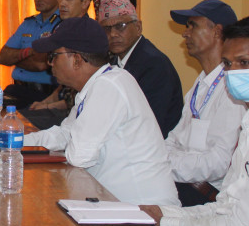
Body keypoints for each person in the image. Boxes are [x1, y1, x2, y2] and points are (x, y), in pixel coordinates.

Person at [140, 14, 249, 226]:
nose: (233, 72)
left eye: (244, 62)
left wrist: (168, 222)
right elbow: (224, 206)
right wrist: (166, 213)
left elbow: (246, 223)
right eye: (228, 64)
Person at [23, 16, 179, 206]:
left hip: (143, 209)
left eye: (53, 56)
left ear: (77, 60)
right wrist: (13, 141)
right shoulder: (95, 85)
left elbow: (79, 156)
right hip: (115, 201)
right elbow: (65, 134)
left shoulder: (109, 86)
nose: (50, 63)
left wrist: (60, 148)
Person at [165, 0, 246, 206]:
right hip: (181, 182)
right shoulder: (201, 84)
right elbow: (174, 139)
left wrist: (164, 164)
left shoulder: (232, 89)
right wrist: (158, 160)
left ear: (217, 31)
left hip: (205, 195)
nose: (185, 33)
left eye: (193, 26)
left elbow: (219, 163)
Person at [94, 0, 183, 137]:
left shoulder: (153, 64)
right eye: (106, 29)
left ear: (138, 27)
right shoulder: (113, 62)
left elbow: (150, 124)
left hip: (154, 145)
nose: (113, 34)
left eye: (120, 26)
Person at [29, 0, 95, 111]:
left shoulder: (88, 34)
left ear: (85, 3)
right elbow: (66, 81)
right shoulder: (62, 27)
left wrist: (49, 107)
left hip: (78, 108)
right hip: (63, 101)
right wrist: (46, 102)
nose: (62, 3)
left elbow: (87, 92)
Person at [0, 0, 61, 108]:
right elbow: (3, 57)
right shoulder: (28, 23)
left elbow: (40, 64)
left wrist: (15, 58)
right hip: (17, 90)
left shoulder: (63, 23)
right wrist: (30, 52)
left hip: (45, 96)